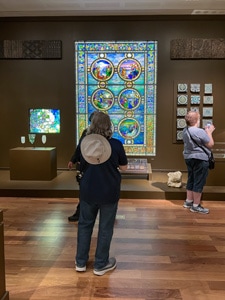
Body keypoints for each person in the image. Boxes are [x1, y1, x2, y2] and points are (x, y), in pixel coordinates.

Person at [75, 111, 128, 275]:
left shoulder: (84, 142)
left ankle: (80, 262)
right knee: (105, 228)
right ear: (108, 126)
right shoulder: (116, 144)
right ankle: (100, 264)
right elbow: (124, 168)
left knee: (84, 225)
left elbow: (78, 162)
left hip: (88, 191)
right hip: (108, 191)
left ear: (91, 125)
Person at [182, 111, 215, 214]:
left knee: (191, 178)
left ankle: (189, 201)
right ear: (196, 120)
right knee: (199, 181)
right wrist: (209, 132)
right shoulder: (198, 131)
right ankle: (196, 206)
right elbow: (210, 144)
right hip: (200, 159)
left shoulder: (185, 130)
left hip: (188, 158)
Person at [67, 111, 97, 222]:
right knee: (84, 191)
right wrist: (73, 159)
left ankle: (106, 214)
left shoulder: (105, 134)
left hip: (98, 167)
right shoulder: (86, 133)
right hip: (86, 166)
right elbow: (80, 147)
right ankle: (79, 213)